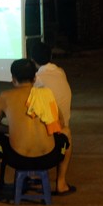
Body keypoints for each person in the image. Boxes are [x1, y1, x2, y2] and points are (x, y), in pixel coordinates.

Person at [0, 58, 70, 195]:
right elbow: (60, 124)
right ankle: (61, 183)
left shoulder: (5, 96)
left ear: (13, 78)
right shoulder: (46, 94)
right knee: (66, 131)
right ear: (34, 78)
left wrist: (11, 129)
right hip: (49, 158)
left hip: (18, 159)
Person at [30, 41, 75, 195]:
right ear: (50, 56)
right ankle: (61, 181)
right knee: (67, 132)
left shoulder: (37, 79)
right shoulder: (60, 72)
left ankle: (34, 174)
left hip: (48, 135)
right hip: (63, 132)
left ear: (32, 59)